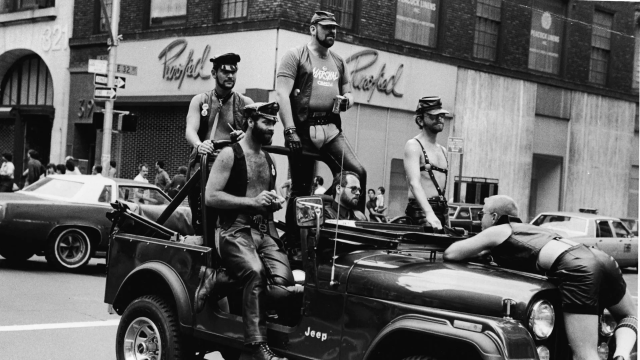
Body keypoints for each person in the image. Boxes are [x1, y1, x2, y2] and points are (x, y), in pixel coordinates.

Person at [443, 195, 637, 360]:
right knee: (629, 316)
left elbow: (451, 253)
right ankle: (622, 354)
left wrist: (479, 252)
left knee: (585, 354)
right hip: (602, 259)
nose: (479, 220)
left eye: (481, 214)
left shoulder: (498, 230)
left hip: (579, 268)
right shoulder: (534, 229)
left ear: (494, 217)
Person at [195, 101, 288, 360]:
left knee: (283, 283)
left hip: (263, 231)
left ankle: (216, 279)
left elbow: (268, 197)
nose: (271, 128)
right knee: (255, 273)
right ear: (250, 122)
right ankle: (256, 345)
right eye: (266, 122)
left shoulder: (269, 159)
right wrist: (252, 203)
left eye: (274, 123)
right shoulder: (230, 154)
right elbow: (210, 197)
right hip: (232, 229)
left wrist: (277, 200)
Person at [276, 10, 366, 250]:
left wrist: (348, 99)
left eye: (334, 28)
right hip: (303, 130)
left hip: (331, 130)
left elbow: (350, 92)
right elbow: (282, 94)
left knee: (357, 173)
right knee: (300, 190)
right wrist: (290, 130)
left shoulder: (338, 61)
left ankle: (354, 235)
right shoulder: (295, 56)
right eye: (326, 27)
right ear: (313, 28)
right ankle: (294, 246)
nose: (332, 32)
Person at [185, 52, 254, 235]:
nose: (230, 76)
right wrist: (199, 145)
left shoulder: (246, 103)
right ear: (214, 73)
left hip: (232, 169)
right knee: (202, 222)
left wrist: (245, 136)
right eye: (225, 71)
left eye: (234, 72)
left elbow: (256, 138)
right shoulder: (200, 100)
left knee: (232, 221)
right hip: (204, 167)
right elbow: (190, 130)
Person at [403, 96, 450, 230]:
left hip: (441, 211)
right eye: (434, 116)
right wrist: (429, 213)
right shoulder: (413, 145)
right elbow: (414, 183)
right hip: (421, 211)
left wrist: (446, 218)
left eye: (441, 115)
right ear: (420, 119)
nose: (440, 119)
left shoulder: (443, 150)